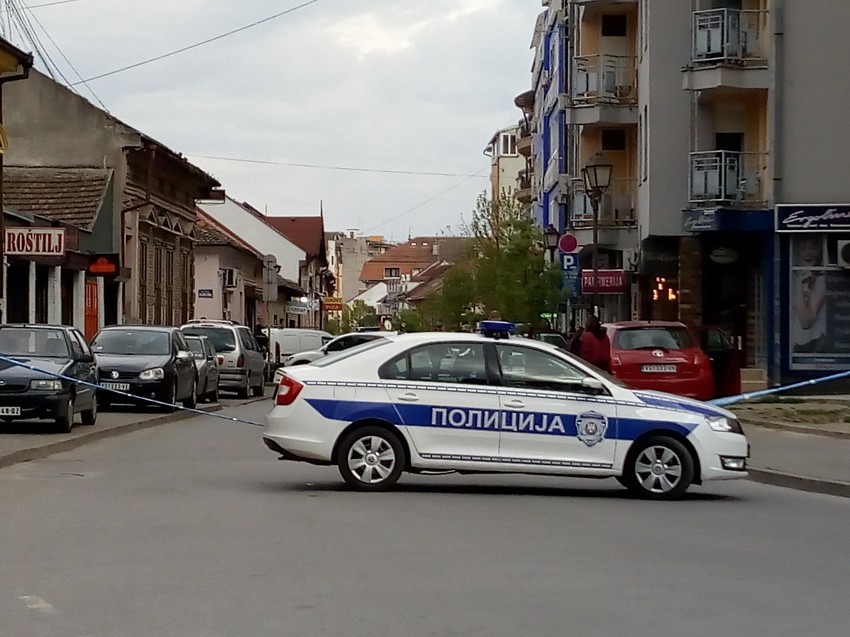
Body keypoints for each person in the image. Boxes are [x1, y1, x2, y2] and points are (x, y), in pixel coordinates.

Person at [791, 236, 827, 353]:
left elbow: (806, 321)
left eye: (812, 248)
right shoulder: (794, 275)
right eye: (804, 248)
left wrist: (798, 285)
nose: (808, 252)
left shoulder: (820, 279)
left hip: (811, 344)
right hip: (794, 343)